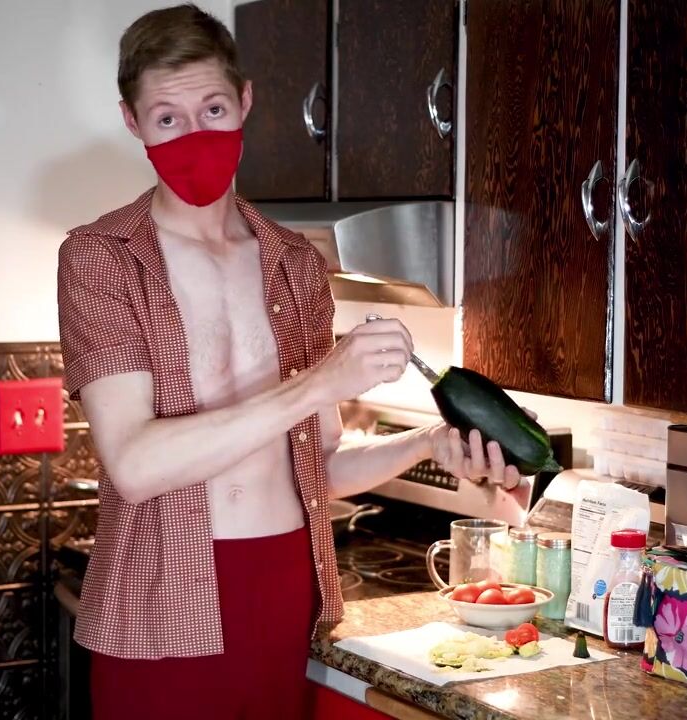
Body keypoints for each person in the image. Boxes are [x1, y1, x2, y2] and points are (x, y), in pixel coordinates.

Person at [57, 5, 526, 718]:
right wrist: (319, 382)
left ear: (245, 102)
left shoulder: (295, 265)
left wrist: (426, 443)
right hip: (157, 604)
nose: (195, 136)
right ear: (132, 122)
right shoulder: (101, 259)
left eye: (213, 110)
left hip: (282, 592)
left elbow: (318, 466)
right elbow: (137, 464)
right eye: (167, 119)